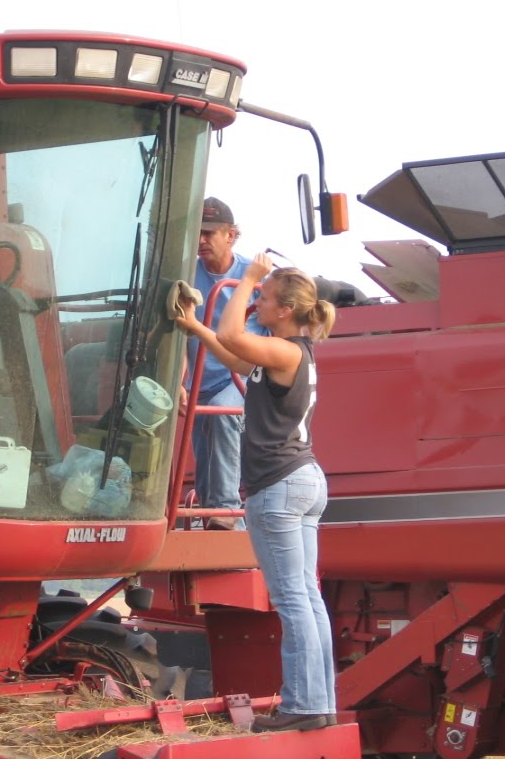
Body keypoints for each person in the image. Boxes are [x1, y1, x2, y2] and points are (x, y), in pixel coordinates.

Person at [175, 253, 338, 732]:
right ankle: (320, 703)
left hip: (280, 484)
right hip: (302, 480)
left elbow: (232, 335)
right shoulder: (285, 354)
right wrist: (195, 327)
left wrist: (245, 279)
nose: (255, 305)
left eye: (264, 300)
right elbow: (234, 356)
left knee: (292, 600)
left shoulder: (288, 352)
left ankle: (303, 706)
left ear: (285, 310)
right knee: (307, 598)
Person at [184, 196, 266, 530]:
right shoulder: (186, 275)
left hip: (242, 376)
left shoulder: (255, 278)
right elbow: (177, 332)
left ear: (230, 235)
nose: (201, 239)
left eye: (209, 232)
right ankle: (211, 518)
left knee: (221, 414)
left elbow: (280, 328)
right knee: (203, 448)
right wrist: (177, 382)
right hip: (199, 380)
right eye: (197, 233)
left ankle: (226, 513)